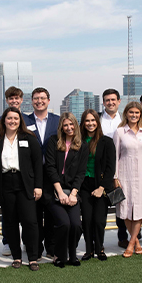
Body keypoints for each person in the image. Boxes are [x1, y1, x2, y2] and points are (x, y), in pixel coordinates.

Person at [0, 107, 43, 270]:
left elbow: (38, 164)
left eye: (16, 119)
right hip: (5, 183)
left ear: (20, 121)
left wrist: (38, 186)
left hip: (25, 183)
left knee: (30, 221)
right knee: (10, 222)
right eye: (9, 118)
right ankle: (17, 257)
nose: (12, 121)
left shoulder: (29, 138)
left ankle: (32, 257)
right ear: (4, 120)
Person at [44, 112, 90, 267]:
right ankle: (59, 255)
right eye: (65, 125)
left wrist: (74, 194)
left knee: (76, 225)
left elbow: (81, 172)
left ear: (76, 125)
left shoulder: (82, 145)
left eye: (71, 124)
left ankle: (72, 253)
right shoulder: (53, 141)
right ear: (61, 127)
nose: (69, 128)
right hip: (54, 191)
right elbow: (50, 167)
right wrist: (60, 191)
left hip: (72, 192)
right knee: (64, 223)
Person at [113, 102, 142, 257]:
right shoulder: (120, 132)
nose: (134, 115)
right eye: (131, 112)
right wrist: (115, 177)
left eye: (137, 113)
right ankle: (135, 241)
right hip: (124, 174)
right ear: (126, 114)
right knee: (126, 209)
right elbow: (115, 156)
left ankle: (131, 242)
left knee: (139, 209)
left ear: (140, 114)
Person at [26, 87, 60, 258]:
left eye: (42, 98)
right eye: (36, 98)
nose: (39, 101)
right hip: (31, 176)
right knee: (34, 215)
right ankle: (36, 250)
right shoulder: (24, 121)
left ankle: (52, 249)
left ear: (48, 100)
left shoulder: (58, 121)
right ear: (32, 101)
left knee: (52, 214)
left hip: (52, 176)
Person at [78, 109, 115, 262]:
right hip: (83, 185)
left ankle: (99, 248)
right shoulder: (78, 141)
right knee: (86, 220)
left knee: (99, 220)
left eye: (93, 120)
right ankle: (88, 250)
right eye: (87, 121)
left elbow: (110, 167)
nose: (90, 124)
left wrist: (102, 188)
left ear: (97, 122)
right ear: (83, 123)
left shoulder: (106, 141)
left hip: (100, 186)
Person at [100, 88, 128, 248]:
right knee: (101, 207)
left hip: (121, 167)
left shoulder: (125, 119)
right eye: (107, 100)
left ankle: (123, 235)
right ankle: (99, 240)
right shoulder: (96, 119)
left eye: (113, 100)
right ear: (103, 103)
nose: (110, 102)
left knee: (120, 202)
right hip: (101, 169)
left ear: (119, 101)